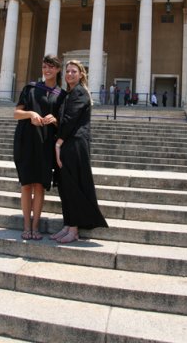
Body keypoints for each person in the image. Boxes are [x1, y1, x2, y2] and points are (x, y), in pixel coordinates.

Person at [50, 59, 108, 243]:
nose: (69, 74)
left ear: (81, 74)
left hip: (74, 144)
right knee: (65, 186)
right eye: (67, 71)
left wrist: (58, 143)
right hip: (68, 143)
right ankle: (67, 224)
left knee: (72, 186)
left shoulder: (80, 93)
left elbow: (70, 120)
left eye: (74, 71)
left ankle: (74, 230)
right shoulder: (70, 93)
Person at [13, 54, 66, 240]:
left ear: (58, 69)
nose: (47, 70)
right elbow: (16, 114)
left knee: (39, 186)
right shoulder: (30, 88)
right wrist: (30, 114)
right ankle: (26, 226)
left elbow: (65, 125)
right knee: (26, 184)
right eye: (44, 67)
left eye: (51, 67)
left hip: (46, 143)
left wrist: (56, 120)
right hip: (26, 141)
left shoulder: (62, 95)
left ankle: (36, 228)